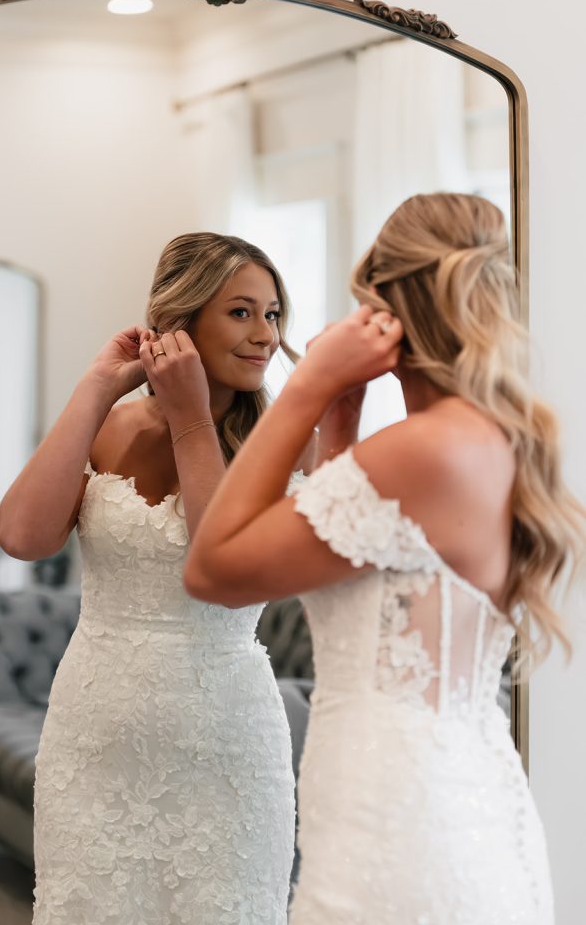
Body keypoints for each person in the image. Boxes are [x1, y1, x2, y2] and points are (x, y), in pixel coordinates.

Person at [185, 194, 585, 924]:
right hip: (457, 802)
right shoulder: (479, 438)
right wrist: (340, 419)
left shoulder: (422, 452)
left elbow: (211, 568)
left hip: (399, 823)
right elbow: (353, 562)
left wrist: (307, 385)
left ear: (385, 307)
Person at [0, 232, 309, 925]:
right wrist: (96, 388)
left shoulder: (289, 439)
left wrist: (193, 419)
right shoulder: (110, 426)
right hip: (94, 733)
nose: (265, 334)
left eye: (273, 313)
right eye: (241, 312)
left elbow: (219, 566)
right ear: (181, 321)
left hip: (228, 737)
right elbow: (21, 537)